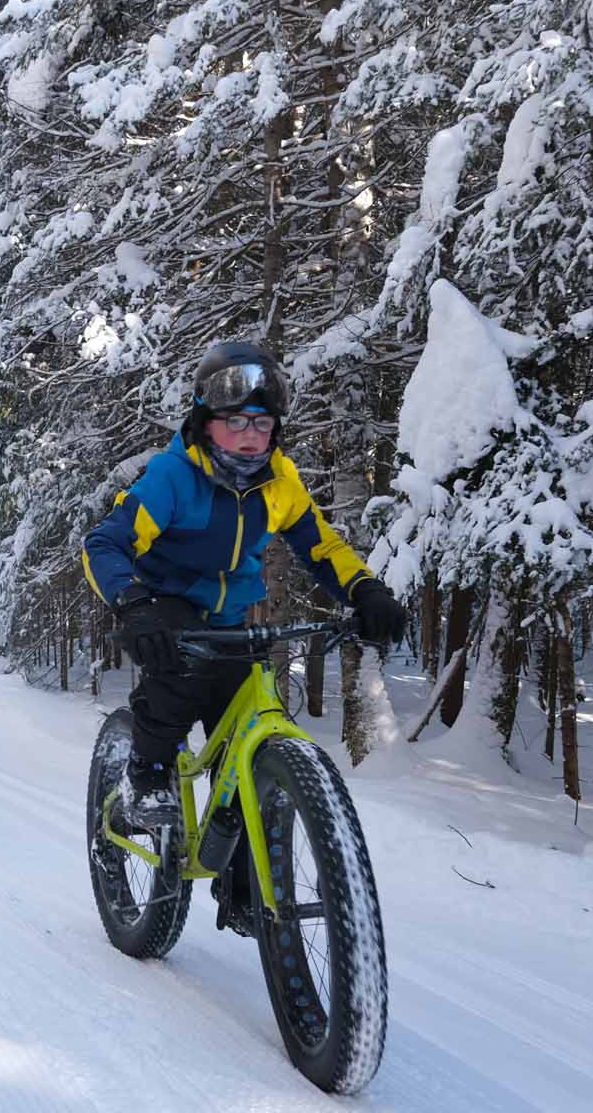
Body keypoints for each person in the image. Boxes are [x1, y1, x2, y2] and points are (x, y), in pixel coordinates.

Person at [82, 342, 410, 828]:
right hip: (165, 605)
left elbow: (321, 547)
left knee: (245, 766)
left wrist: (366, 590)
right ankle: (147, 775)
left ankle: (243, 896)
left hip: (232, 618)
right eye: (235, 420)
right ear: (204, 420)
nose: (250, 435)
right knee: (175, 680)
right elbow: (104, 545)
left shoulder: (281, 481)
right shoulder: (173, 477)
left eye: (262, 422)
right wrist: (133, 605)